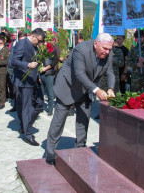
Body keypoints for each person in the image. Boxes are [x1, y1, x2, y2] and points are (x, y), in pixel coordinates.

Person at [45, 33, 116, 165]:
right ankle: (50, 152)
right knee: (59, 121)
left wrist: (111, 88)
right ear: (96, 43)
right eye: (104, 48)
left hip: (86, 90)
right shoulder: (81, 49)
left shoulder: (109, 54)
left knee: (84, 120)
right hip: (68, 86)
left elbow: (110, 72)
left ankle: (80, 148)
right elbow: (79, 74)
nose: (107, 52)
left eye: (109, 49)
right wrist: (96, 90)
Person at [10, 28, 45, 146]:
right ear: (34, 36)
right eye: (39, 40)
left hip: (34, 79)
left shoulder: (35, 46)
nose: (40, 43)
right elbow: (14, 61)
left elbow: (36, 61)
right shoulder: (22, 44)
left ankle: (25, 125)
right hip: (24, 81)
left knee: (40, 104)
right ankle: (28, 134)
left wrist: (38, 74)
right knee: (26, 107)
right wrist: (27, 65)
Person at [40, 38, 59, 116]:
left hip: (49, 73)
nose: (44, 43)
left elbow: (55, 61)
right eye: (43, 42)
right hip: (41, 74)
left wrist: (47, 68)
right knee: (40, 92)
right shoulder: (40, 51)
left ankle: (50, 108)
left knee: (50, 93)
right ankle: (40, 107)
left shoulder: (52, 50)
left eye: (45, 42)